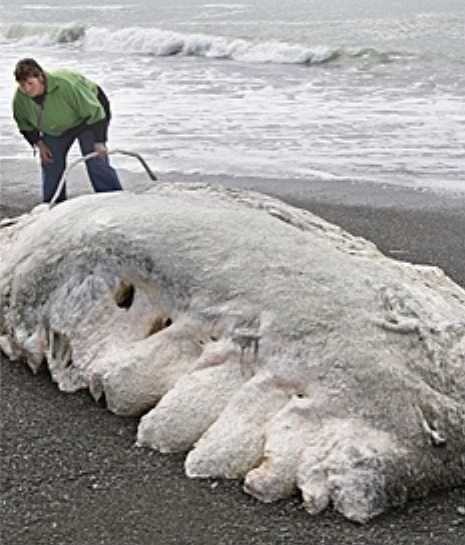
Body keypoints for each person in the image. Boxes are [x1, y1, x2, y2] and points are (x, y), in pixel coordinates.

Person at [12, 58, 122, 203]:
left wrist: (100, 141)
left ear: (41, 78)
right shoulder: (20, 98)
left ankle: (114, 200)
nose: (27, 89)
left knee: (95, 159)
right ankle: (53, 204)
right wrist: (40, 144)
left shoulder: (66, 85)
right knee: (50, 161)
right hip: (56, 127)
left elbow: (96, 113)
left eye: (30, 84)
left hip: (89, 118)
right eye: (22, 85)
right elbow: (25, 125)